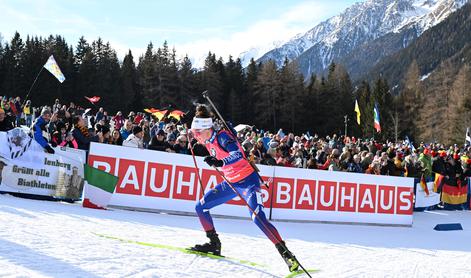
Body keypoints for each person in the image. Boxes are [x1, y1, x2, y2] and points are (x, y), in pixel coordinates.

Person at [189, 105, 299, 272]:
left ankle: (287, 255)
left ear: (206, 129)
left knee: (258, 218)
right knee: (200, 207)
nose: (196, 136)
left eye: (197, 132)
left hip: (248, 182)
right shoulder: (208, 139)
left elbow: (238, 154)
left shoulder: (223, 137)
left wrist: (220, 162)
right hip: (231, 183)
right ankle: (214, 244)